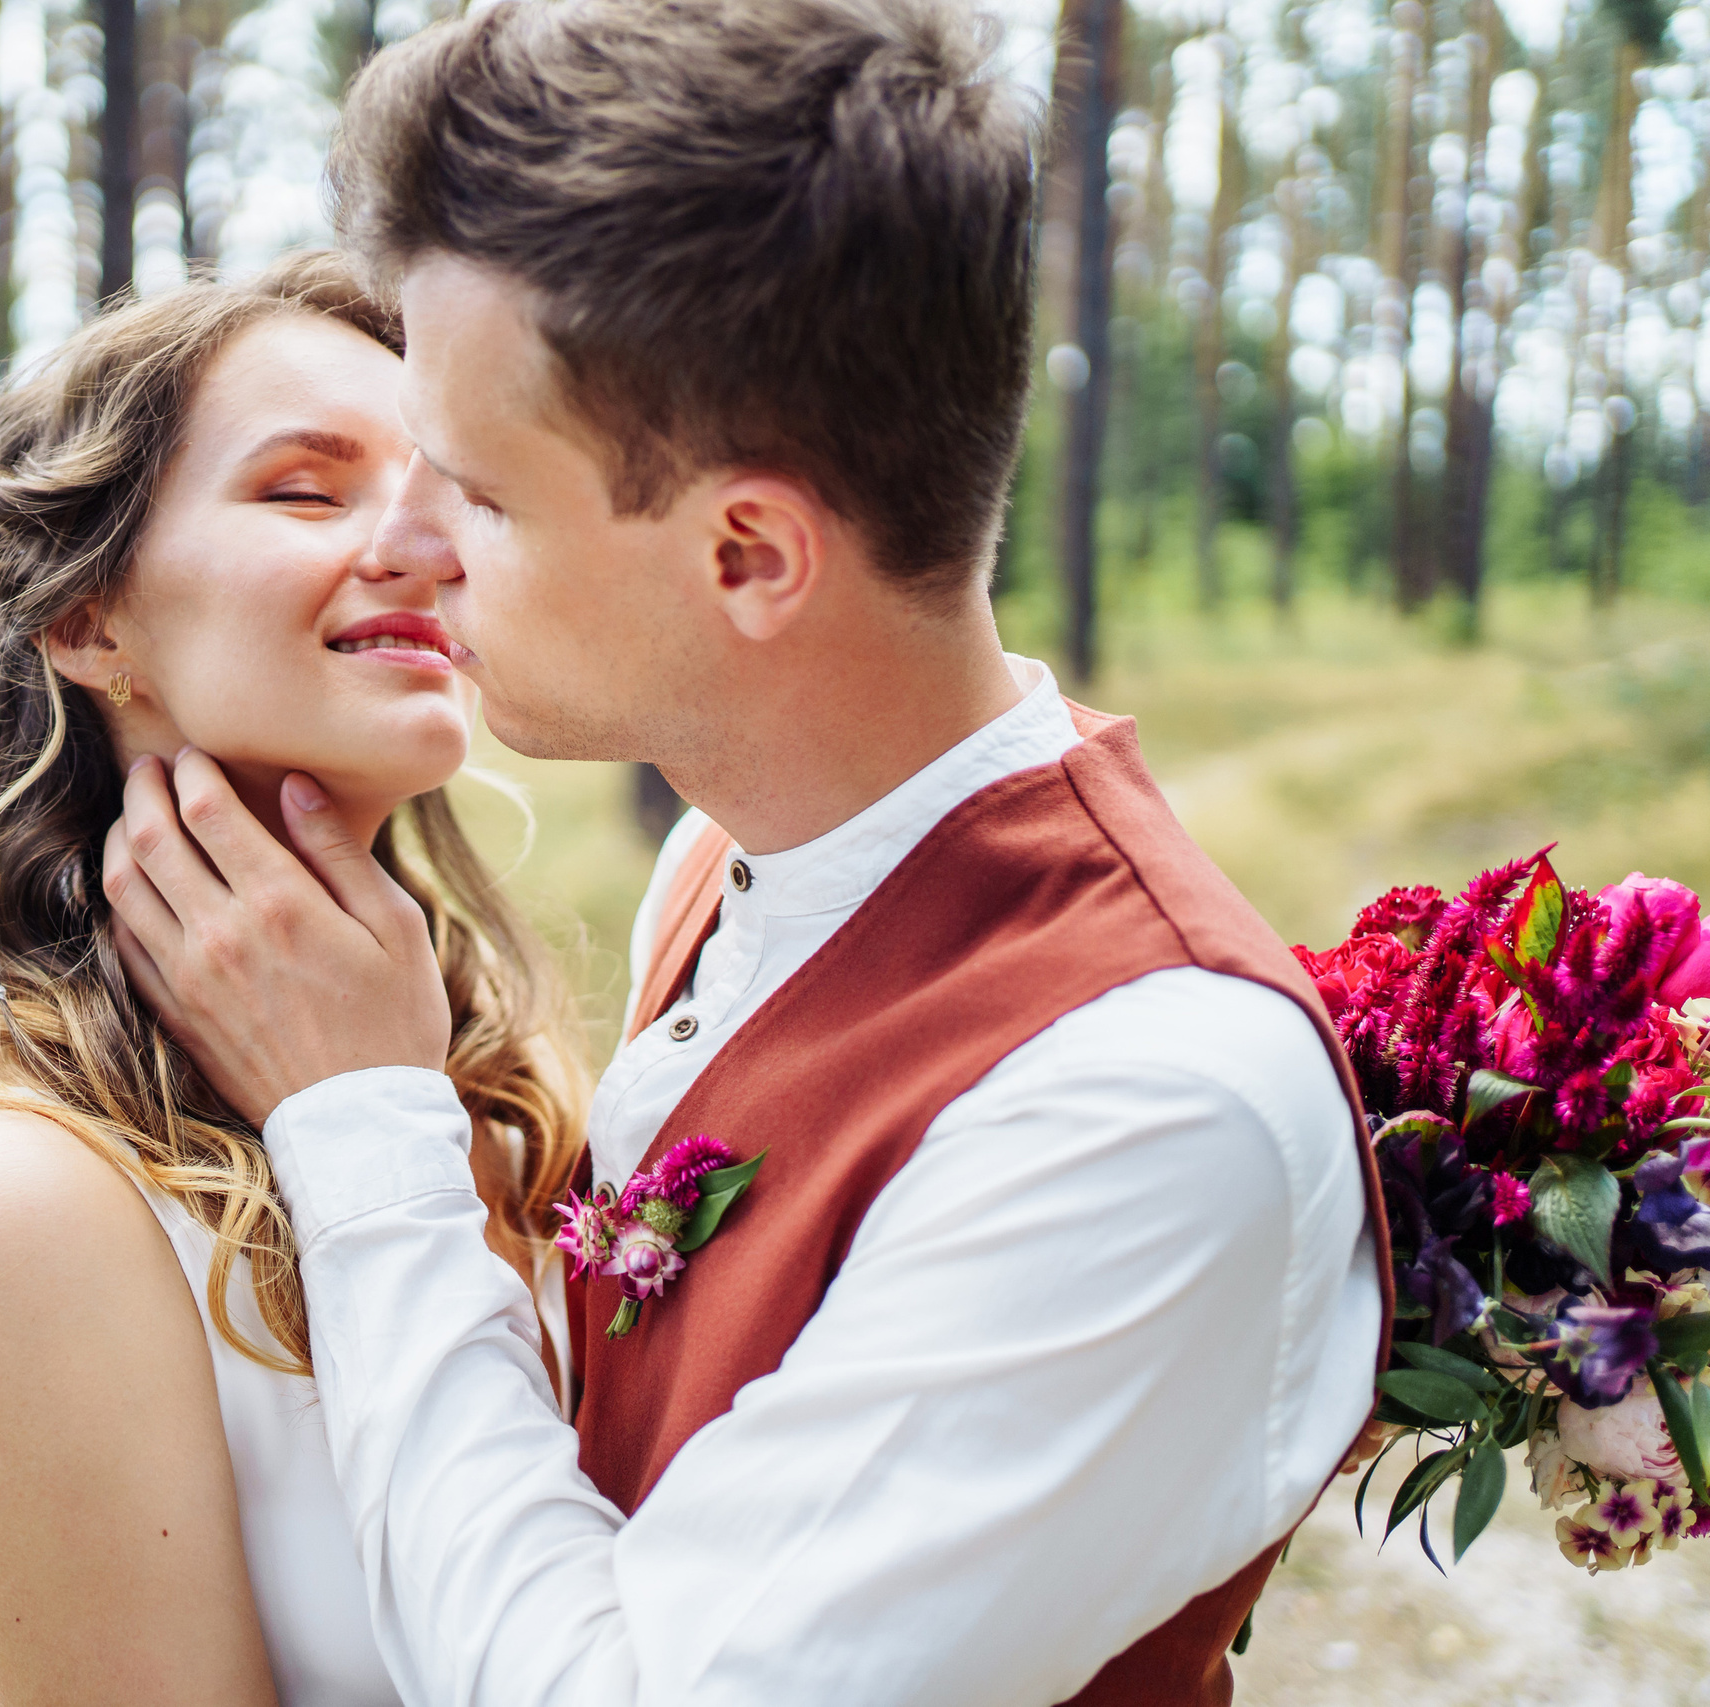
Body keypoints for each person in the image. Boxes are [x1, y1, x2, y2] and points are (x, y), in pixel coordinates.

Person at [100, 2, 1394, 1703]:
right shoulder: (729, 864)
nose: (412, 551)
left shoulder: (1150, 1106)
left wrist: (364, 1131)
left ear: (749, 555)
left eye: (479, 495)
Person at [0, 253, 589, 1707]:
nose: (431, 543)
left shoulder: (502, 1083)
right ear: (86, 623)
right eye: (308, 491)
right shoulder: (28, 1199)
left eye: (446, 486)